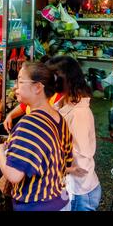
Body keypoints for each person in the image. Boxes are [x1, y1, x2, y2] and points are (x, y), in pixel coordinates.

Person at [0, 62, 73, 211]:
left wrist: (0, 151)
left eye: (20, 81)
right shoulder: (59, 118)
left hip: (37, 205)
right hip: (60, 201)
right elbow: (68, 162)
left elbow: (14, 175)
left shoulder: (30, 124)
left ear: (37, 87)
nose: (15, 88)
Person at [46, 56, 101, 211]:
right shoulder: (66, 101)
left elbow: (81, 157)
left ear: (64, 78)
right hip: (71, 186)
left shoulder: (79, 114)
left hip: (81, 192)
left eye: (52, 77)